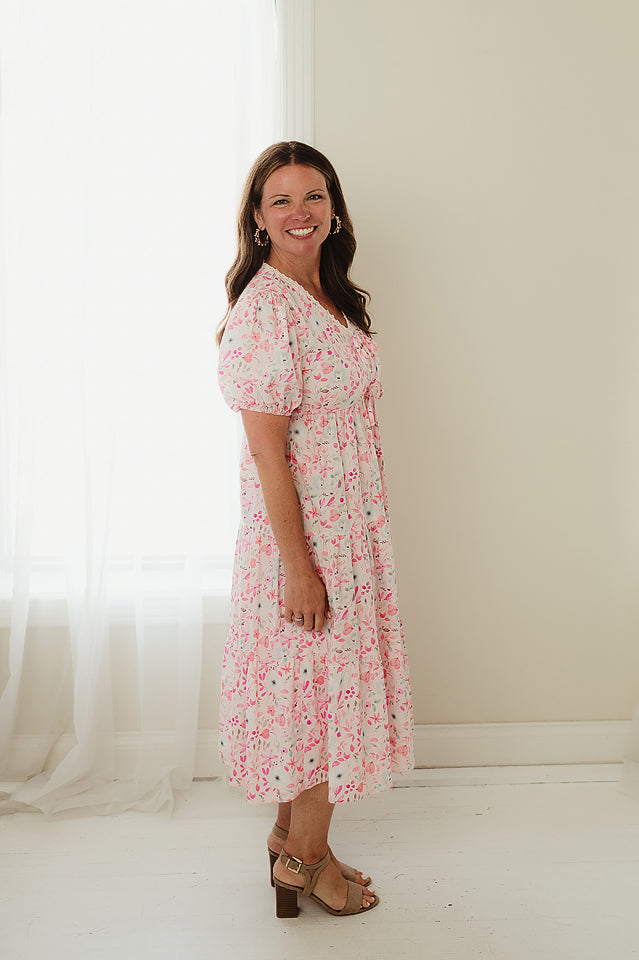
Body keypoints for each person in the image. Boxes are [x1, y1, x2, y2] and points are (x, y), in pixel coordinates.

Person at [216, 141, 414, 918]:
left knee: (308, 697)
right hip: (305, 543)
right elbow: (267, 456)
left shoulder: (327, 297)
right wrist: (297, 567)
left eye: (313, 196)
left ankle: (292, 842)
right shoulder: (264, 312)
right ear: (258, 220)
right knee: (321, 703)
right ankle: (304, 863)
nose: (300, 213)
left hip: (348, 536)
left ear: (332, 210)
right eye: (281, 200)